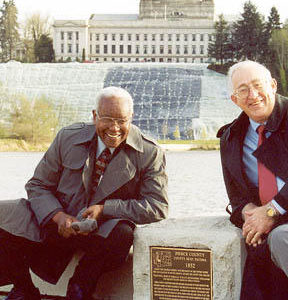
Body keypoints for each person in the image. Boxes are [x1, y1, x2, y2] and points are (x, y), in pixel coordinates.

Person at [0, 86, 168, 300]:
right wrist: (58, 216)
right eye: (107, 119)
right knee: (4, 216)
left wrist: (105, 209)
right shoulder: (67, 138)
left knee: (123, 234)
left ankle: (80, 287)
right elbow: (38, 185)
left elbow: (157, 206)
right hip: (58, 224)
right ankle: (24, 289)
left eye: (122, 121)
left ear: (131, 117)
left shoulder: (150, 152)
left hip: (101, 232)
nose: (115, 128)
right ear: (94, 115)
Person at [217, 60, 288, 299]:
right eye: (243, 89)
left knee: (280, 238)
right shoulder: (231, 137)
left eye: (258, 85)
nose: (253, 95)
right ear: (235, 99)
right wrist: (249, 214)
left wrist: (270, 212)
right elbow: (236, 195)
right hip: (264, 229)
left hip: (280, 223)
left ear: (273, 85)